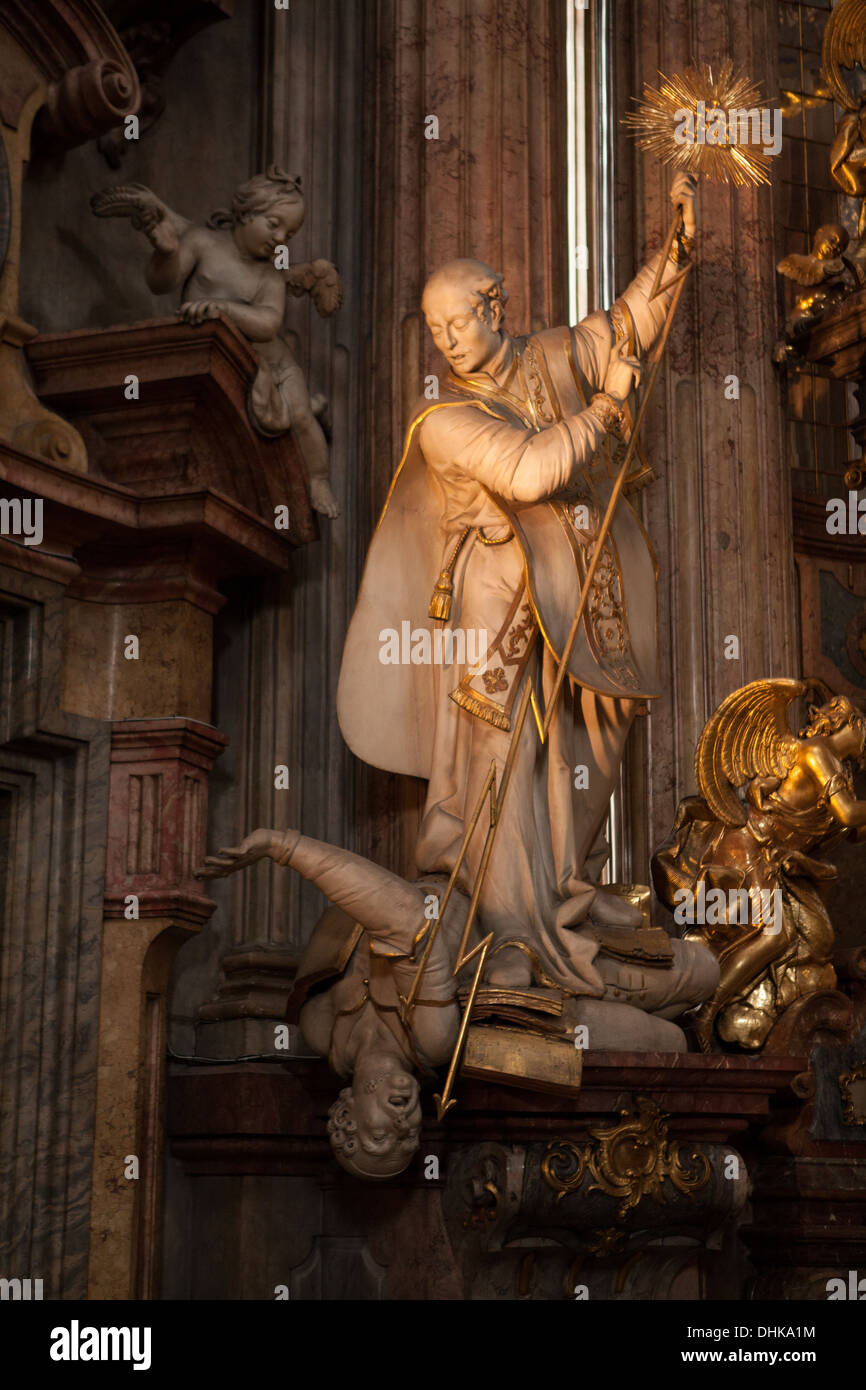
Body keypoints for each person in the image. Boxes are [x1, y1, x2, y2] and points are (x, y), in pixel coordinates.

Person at [338, 173, 698, 996]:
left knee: (594, 747)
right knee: (505, 764)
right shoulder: (445, 423)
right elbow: (533, 471)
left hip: (589, 596)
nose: (448, 340)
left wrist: (675, 249)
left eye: (458, 320)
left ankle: (566, 892)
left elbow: (627, 327)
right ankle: (512, 929)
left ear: (493, 308)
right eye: (434, 329)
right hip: (499, 619)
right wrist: (610, 409)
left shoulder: (552, 356)